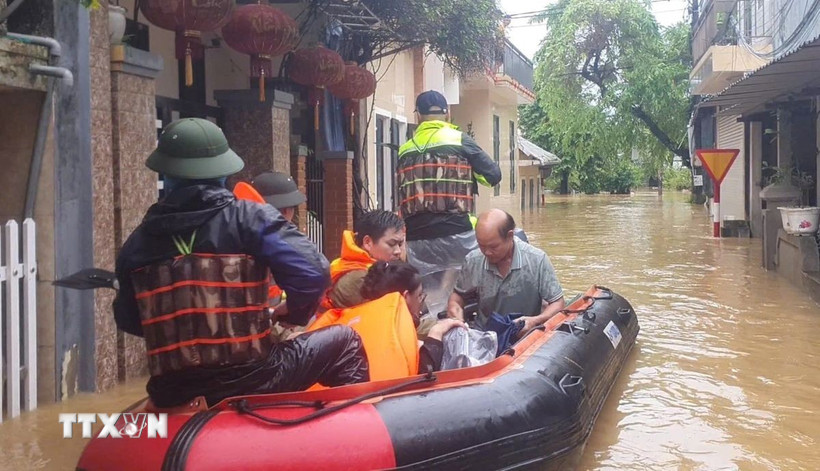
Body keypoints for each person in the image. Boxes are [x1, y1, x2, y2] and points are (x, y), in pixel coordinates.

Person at [112, 118, 368, 408]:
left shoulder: (138, 243)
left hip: (172, 391)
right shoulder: (250, 219)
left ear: (166, 177)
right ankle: (352, 436)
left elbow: (130, 320)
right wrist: (294, 314)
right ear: (223, 174)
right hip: (255, 378)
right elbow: (313, 273)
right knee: (346, 341)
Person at [397, 90, 502, 316]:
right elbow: (493, 175)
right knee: (472, 286)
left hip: (417, 241)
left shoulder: (404, 149)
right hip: (458, 235)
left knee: (429, 300)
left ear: (418, 116)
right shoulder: (459, 140)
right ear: (447, 113)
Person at [310, 261, 465, 375]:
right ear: (405, 297)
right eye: (419, 296)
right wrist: (435, 334)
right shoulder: (393, 334)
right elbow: (423, 375)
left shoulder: (348, 317)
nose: (421, 302)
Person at [447, 209, 565, 338]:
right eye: (481, 245)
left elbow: (557, 302)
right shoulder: (473, 261)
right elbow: (458, 297)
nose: (487, 252)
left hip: (525, 336)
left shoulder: (537, 260)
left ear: (510, 236)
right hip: (484, 336)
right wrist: (456, 316)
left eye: (493, 247)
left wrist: (535, 320)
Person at [323, 210, 406, 310]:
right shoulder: (360, 279)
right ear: (368, 243)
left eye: (400, 244)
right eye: (391, 244)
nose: (398, 251)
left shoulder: (351, 265)